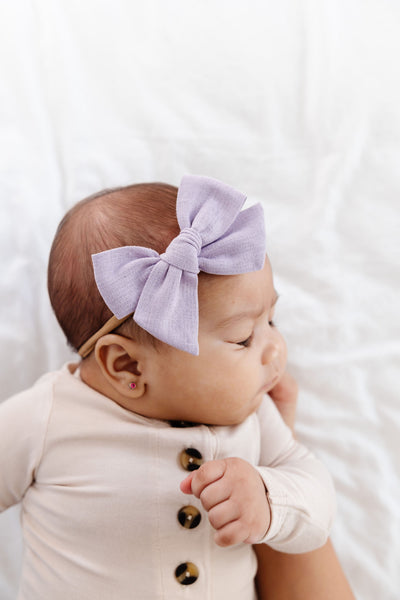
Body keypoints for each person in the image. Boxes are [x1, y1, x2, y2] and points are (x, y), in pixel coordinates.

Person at [0, 175, 337, 599]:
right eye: (243, 338)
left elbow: (318, 499)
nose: (275, 350)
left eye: (271, 320)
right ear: (126, 365)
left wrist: (271, 499)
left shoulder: (254, 418)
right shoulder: (45, 418)